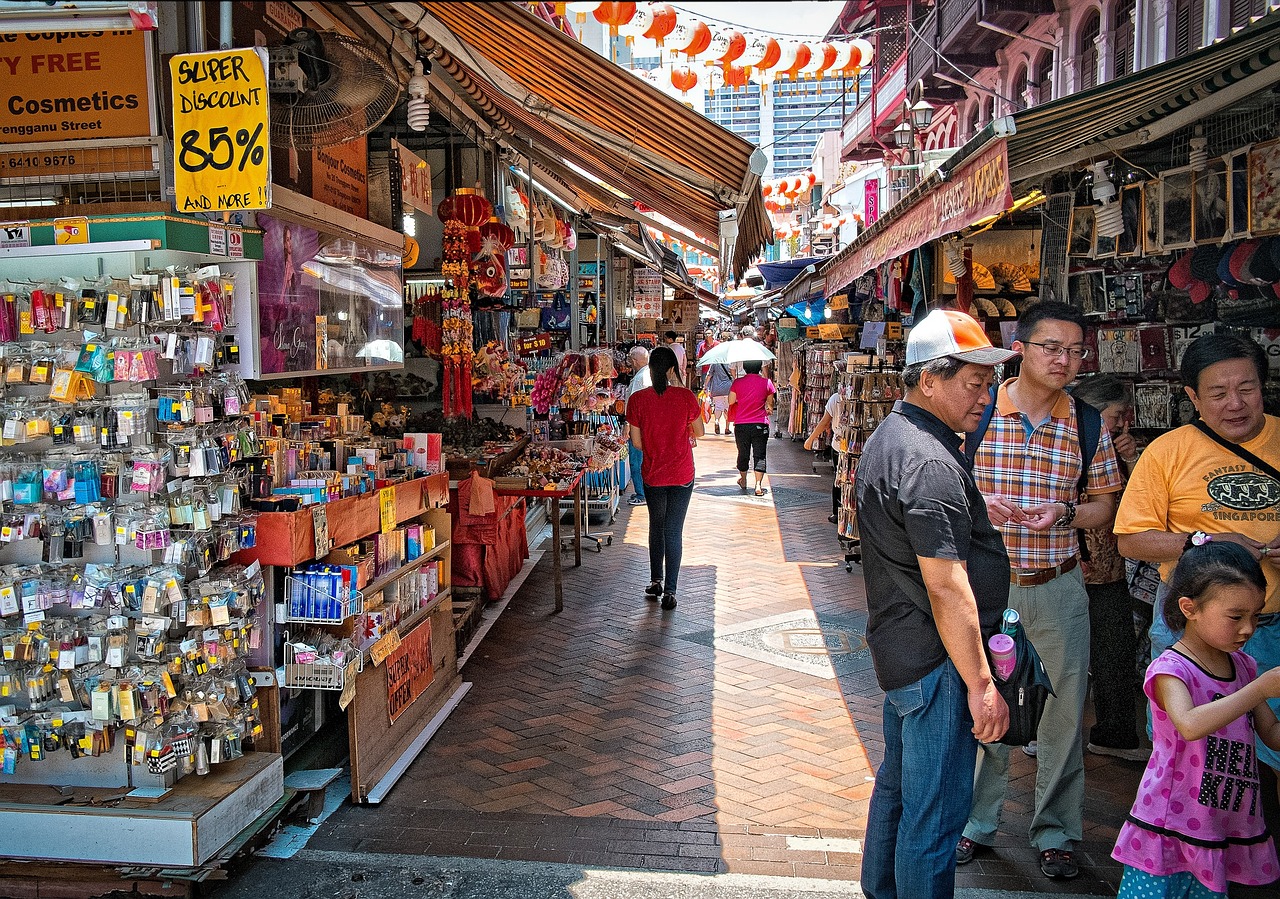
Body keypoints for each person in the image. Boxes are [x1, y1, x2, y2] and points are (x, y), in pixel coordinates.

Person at [959, 301, 1124, 881]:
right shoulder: (977, 414)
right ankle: (975, 824)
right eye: (1051, 346)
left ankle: (1057, 832)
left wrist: (1066, 511)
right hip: (987, 592)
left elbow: (1105, 504)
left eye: (1075, 350)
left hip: (1057, 587)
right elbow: (938, 495)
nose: (1064, 359)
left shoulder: (1086, 423)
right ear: (1020, 349)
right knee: (986, 705)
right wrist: (980, 506)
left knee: (1062, 715)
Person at [856, 308, 1014, 899]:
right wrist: (980, 683)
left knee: (899, 793)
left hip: (906, 655)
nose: (985, 396)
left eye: (987, 382)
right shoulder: (928, 460)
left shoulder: (897, 439)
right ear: (929, 379)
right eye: (973, 382)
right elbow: (947, 586)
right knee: (933, 817)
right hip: (935, 664)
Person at [1115, 331, 1280, 841]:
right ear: (1192, 396)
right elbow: (1131, 540)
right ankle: (1200, 854)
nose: (1235, 403)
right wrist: (1202, 540)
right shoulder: (1167, 452)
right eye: (1218, 392)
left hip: (1276, 625)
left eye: (1247, 388)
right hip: (1194, 640)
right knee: (1197, 760)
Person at [1112, 542, 1280, 897]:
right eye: (1236, 617)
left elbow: (1271, 733)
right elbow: (1189, 724)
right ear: (1190, 609)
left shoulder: (1245, 667)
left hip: (1219, 822)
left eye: (1256, 616)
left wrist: (1259, 687)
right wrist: (1260, 689)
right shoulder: (1172, 669)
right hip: (1170, 821)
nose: (1248, 628)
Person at [1069, 375, 1149, 761]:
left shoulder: (1120, 449)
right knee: (1062, 653)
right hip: (1068, 565)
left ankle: (1114, 734)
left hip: (1110, 569)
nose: (1121, 424)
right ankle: (1036, 730)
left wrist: (1131, 459)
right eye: (1116, 415)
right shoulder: (1069, 442)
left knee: (1113, 653)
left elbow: (1146, 502)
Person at [625, 346, 704, 611]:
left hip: (653, 473)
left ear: (649, 368)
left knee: (656, 525)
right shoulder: (685, 396)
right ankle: (670, 590)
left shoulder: (637, 399)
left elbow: (636, 443)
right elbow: (701, 432)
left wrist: (657, 445)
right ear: (673, 369)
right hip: (682, 472)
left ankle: (655, 580)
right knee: (674, 529)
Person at [728, 360, 775, 497]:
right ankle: (758, 485)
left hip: (741, 424)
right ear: (760, 367)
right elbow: (770, 405)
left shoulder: (737, 383)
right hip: (760, 424)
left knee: (743, 453)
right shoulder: (767, 383)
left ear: (745, 367)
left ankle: (743, 479)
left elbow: (731, 401)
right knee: (759, 454)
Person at [804, 390, 843, 523]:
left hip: (839, 445)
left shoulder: (836, 398)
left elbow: (824, 422)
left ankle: (837, 513)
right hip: (857, 446)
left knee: (839, 480)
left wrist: (811, 439)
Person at [621, 346, 652, 507]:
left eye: (631, 359)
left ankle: (641, 493)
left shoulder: (643, 377)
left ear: (634, 361)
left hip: (638, 426)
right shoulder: (646, 374)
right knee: (639, 459)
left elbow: (639, 404)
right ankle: (642, 491)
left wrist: (628, 424)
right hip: (642, 425)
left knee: (636, 460)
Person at [703, 333, 734, 436]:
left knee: (718, 407)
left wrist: (705, 386)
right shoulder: (730, 361)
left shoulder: (715, 361)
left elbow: (709, 375)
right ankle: (726, 428)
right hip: (728, 389)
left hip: (716, 388)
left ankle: (716, 421)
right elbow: (733, 375)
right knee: (727, 408)